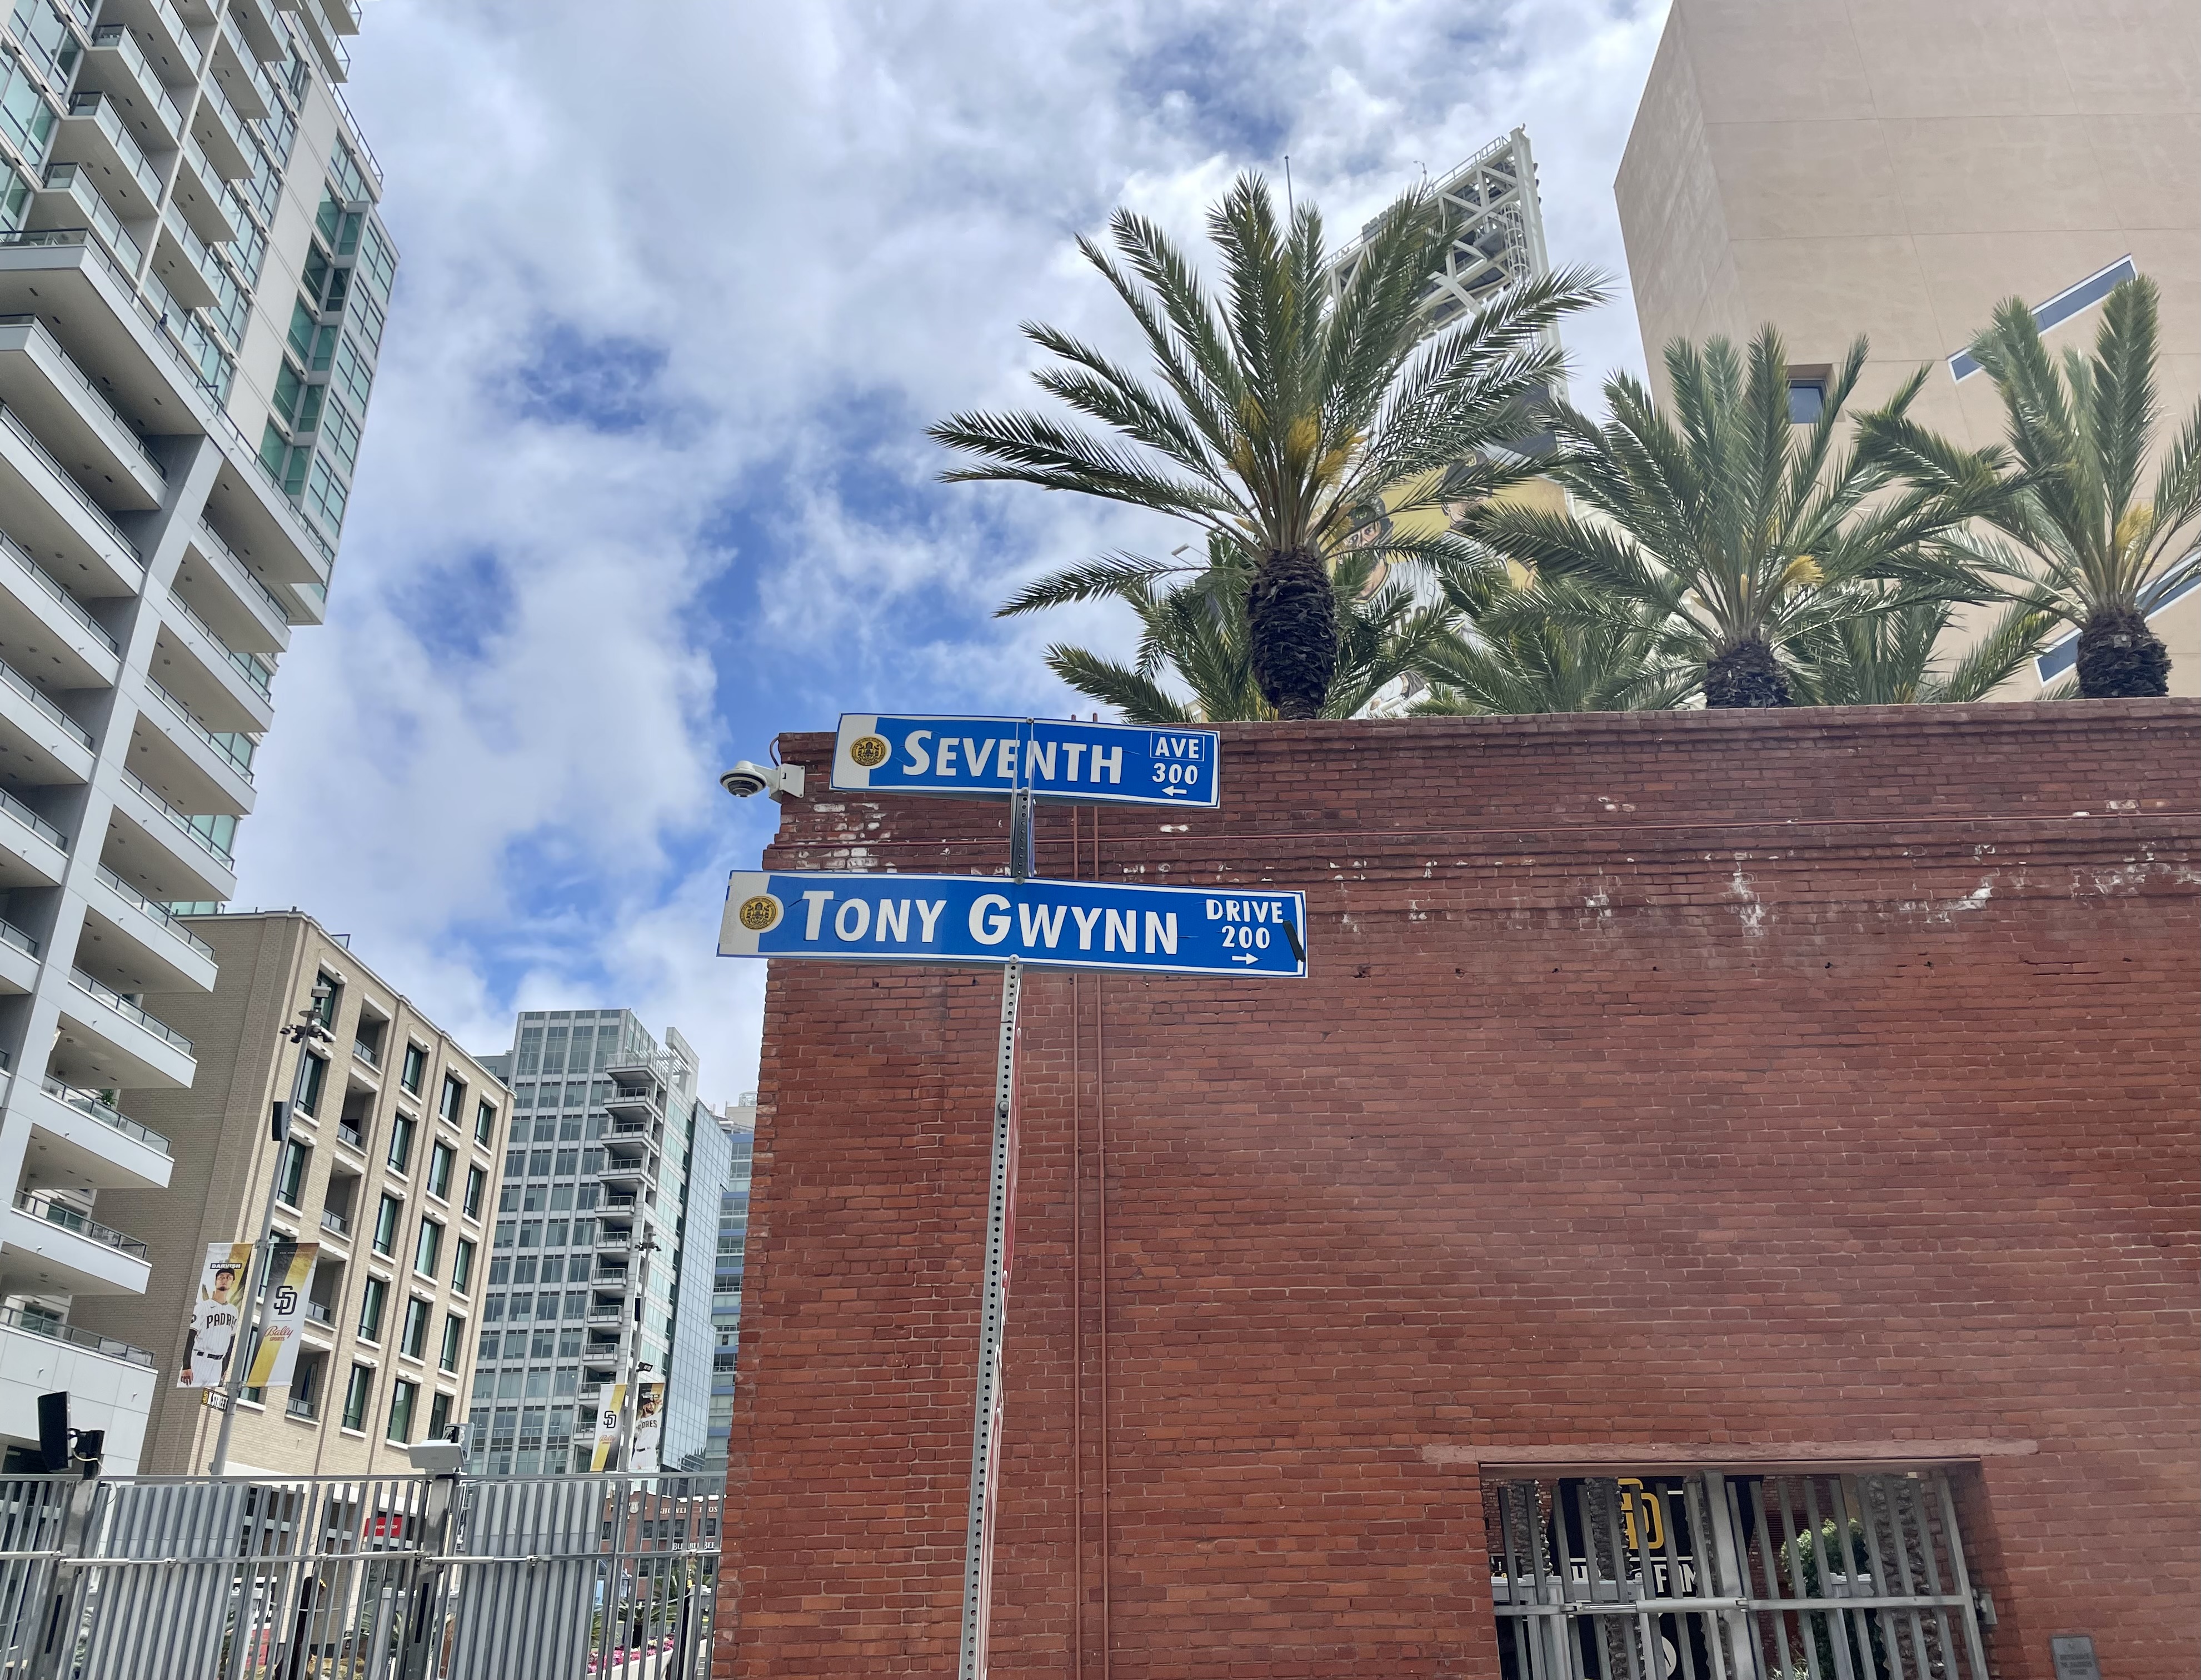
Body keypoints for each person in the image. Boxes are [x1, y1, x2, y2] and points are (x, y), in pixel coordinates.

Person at [185, 1263, 241, 1389]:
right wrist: (187, 1365)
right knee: (188, 1394)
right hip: (199, 1359)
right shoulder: (202, 1307)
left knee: (207, 1398)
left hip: (218, 1364)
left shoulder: (234, 1311)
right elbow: (190, 1336)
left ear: (232, 1283)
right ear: (216, 1281)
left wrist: (226, 1369)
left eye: (228, 1277)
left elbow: (231, 1342)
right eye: (221, 1277)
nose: (224, 1280)